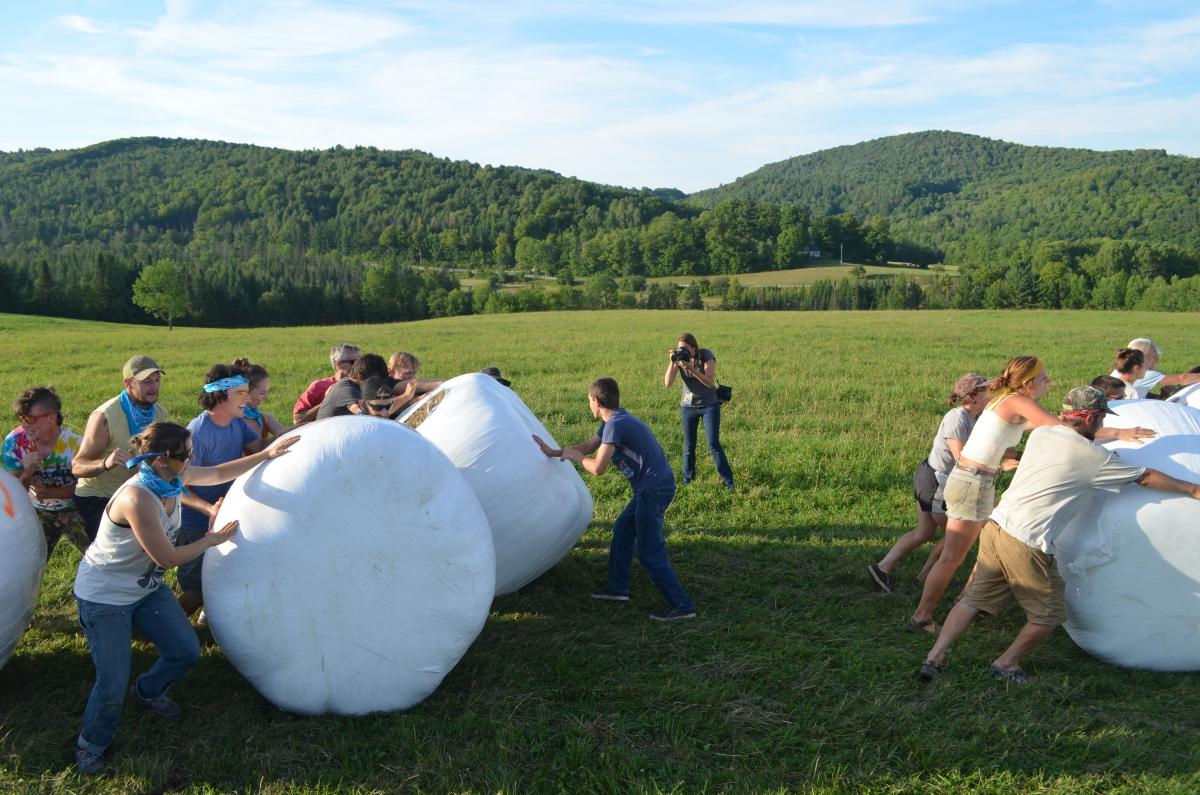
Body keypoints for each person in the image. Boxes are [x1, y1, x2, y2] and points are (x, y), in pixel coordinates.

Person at [918, 386, 1200, 685]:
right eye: (1101, 418)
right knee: (1049, 615)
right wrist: (1192, 489)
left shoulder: (1042, 435)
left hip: (996, 526)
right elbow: (1145, 477)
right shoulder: (1093, 458)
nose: (1103, 424)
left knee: (972, 600)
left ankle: (934, 657)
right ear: (1089, 417)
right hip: (1026, 541)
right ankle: (1006, 663)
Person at [72, 421, 298, 774]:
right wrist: (211, 540)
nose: (192, 460)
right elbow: (167, 558)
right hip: (106, 598)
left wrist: (267, 454)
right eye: (186, 455)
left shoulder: (172, 478)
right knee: (113, 678)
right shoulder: (137, 498)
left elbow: (219, 471)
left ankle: (147, 690)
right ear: (161, 460)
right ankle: (91, 745)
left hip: (145, 589)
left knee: (186, 650)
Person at [908, 356, 1155, 635]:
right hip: (972, 484)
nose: (1048, 381)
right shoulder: (1017, 401)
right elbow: (1065, 430)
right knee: (952, 557)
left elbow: (1016, 432)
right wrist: (1122, 432)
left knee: (983, 548)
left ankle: (969, 602)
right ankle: (922, 616)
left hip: (974, 481)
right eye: (1043, 377)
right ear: (1028, 383)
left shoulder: (1005, 399)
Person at [533, 377, 696, 621]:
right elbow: (589, 445)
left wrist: (575, 457)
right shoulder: (615, 420)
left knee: (650, 552)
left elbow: (598, 468)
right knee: (622, 531)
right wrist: (555, 452)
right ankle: (617, 588)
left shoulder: (615, 426)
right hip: (651, 487)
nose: (588, 405)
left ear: (597, 402)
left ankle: (683, 606)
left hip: (653, 490)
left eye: (589, 401)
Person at [868, 374, 989, 594]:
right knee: (958, 534)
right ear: (973, 396)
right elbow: (961, 456)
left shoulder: (975, 416)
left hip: (932, 476)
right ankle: (926, 577)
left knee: (925, 533)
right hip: (936, 481)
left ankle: (883, 568)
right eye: (986, 390)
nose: (991, 393)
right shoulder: (957, 418)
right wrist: (995, 466)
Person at [177, 365, 264, 618]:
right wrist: (209, 508)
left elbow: (259, 448)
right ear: (220, 396)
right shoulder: (198, 433)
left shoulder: (237, 423)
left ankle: (213, 625)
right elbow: (178, 488)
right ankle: (158, 630)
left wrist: (296, 432)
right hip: (196, 524)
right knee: (196, 591)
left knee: (224, 579)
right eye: (240, 393)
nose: (248, 398)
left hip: (227, 515)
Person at [72, 356, 173, 542]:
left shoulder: (160, 413)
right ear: (128, 383)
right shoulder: (105, 417)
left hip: (137, 494)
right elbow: (77, 466)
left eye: (157, 380)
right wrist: (105, 463)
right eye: (146, 381)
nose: (154, 387)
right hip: (99, 498)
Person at [2, 386, 89, 555]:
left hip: (75, 507)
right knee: (25, 560)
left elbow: (87, 488)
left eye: (30, 418)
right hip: (34, 510)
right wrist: (27, 473)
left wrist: (50, 492)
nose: (24, 424)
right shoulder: (14, 442)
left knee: (99, 558)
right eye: (21, 417)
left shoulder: (77, 442)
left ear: (51, 417)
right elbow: (11, 496)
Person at [663, 332, 734, 491]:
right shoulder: (679, 359)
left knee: (713, 444)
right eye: (680, 348)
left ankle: (728, 482)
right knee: (689, 446)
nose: (683, 351)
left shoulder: (706, 355)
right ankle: (688, 480)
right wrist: (673, 362)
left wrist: (690, 367)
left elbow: (709, 382)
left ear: (694, 348)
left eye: (686, 349)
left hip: (710, 405)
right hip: (688, 407)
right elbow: (667, 383)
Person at [1110, 338, 1200, 399]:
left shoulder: (1120, 368)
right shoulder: (1145, 373)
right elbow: (1182, 379)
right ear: (1144, 357)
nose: (1156, 361)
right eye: (1154, 357)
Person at [292, 344, 359, 425]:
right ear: (338, 364)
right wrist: (327, 402)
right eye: (354, 362)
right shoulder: (319, 386)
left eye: (360, 362)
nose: (358, 366)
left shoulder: (363, 385)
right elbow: (298, 420)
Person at [234, 358, 288, 449]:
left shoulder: (265, 419)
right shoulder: (232, 423)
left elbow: (289, 436)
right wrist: (278, 437)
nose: (266, 398)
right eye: (262, 393)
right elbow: (258, 449)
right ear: (245, 392)